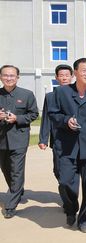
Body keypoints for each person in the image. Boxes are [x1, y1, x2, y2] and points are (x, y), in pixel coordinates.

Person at [48, 58, 86, 232]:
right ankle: (71, 207)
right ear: (75, 73)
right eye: (84, 70)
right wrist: (66, 120)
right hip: (67, 146)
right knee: (65, 182)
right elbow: (53, 115)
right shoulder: (61, 92)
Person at [0, 65, 39, 218]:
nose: (9, 78)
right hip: (1, 138)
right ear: (1, 77)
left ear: (17, 77)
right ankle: (17, 190)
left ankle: (10, 205)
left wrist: (18, 118)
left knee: (16, 170)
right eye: (5, 75)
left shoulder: (27, 94)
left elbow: (34, 114)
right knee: (6, 169)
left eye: (12, 75)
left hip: (19, 138)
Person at [39, 64, 73, 183]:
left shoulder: (78, 94)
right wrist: (43, 139)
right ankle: (66, 191)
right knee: (58, 169)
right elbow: (46, 119)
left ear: (72, 77)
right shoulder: (50, 97)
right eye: (61, 75)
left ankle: (70, 197)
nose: (64, 78)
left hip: (75, 138)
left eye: (67, 75)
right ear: (56, 78)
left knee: (73, 169)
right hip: (57, 138)